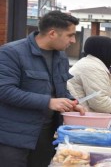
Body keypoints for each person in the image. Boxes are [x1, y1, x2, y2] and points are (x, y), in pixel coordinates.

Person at [0, 11, 86, 167]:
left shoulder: (61, 57)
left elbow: (59, 89)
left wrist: (71, 102)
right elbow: (4, 91)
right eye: (70, 35)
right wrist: (48, 102)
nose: (73, 40)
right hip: (14, 138)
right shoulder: (11, 52)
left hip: (46, 136)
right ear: (52, 33)